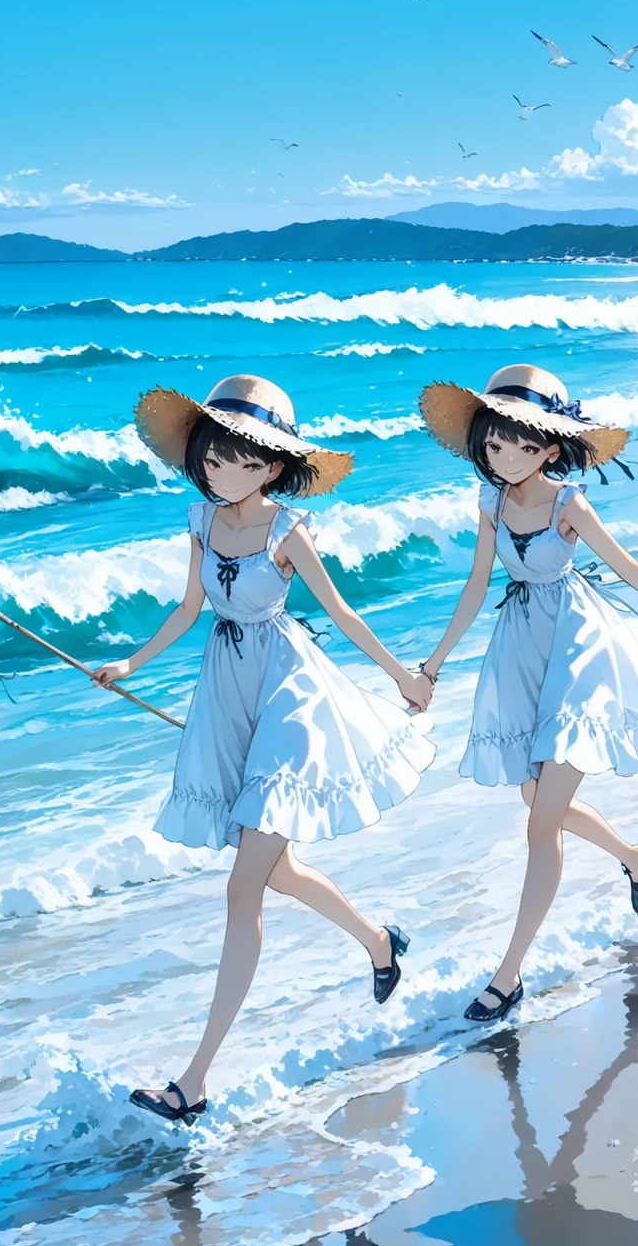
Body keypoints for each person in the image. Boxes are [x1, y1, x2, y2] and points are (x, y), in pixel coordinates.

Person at [94, 374, 434, 1124]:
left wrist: (401, 676)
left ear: (274, 466)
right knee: (278, 871)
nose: (221, 470)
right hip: (228, 693)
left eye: (241, 460)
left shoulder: (286, 531)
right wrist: (130, 663)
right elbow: (189, 607)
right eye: (213, 456)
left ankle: (194, 1083)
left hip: (290, 695)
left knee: (242, 888)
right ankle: (380, 943)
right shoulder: (199, 520)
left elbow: (341, 611)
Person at [415, 363, 638, 1025]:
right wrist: (432, 664)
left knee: (539, 822)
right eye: (492, 443)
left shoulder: (568, 504)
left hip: (581, 651)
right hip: (521, 651)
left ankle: (508, 975)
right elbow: (475, 586)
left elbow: (622, 563)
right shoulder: (491, 503)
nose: (499, 455)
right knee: (538, 801)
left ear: (550, 450)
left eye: (515, 444)